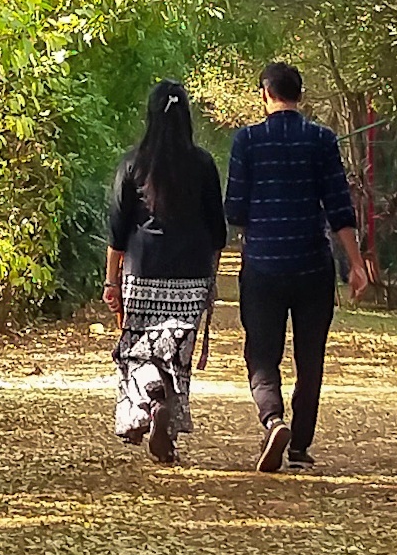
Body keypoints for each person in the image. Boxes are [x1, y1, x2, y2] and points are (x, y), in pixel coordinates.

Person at [225, 61, 370, 473]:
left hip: (263, 266)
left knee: (261, 353)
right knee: (311, 358)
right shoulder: (321, 140)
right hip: (312, 265)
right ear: (299, 96)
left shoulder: (247, 142)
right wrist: (356, 266)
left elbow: (234, 209)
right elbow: (340, 207)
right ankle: (300, 446)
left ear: (265, 94)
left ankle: (273, 419)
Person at [105, 80, 227, 464]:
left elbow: (117, 230)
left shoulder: (132, 163)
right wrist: (211, 277)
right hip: (190, 276)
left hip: (143, 271)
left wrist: (111, 283)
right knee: (176, 355)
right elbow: (218, 231)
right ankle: (167, 430)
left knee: (138, 349)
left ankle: (151, 399)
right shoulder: (204, 164)